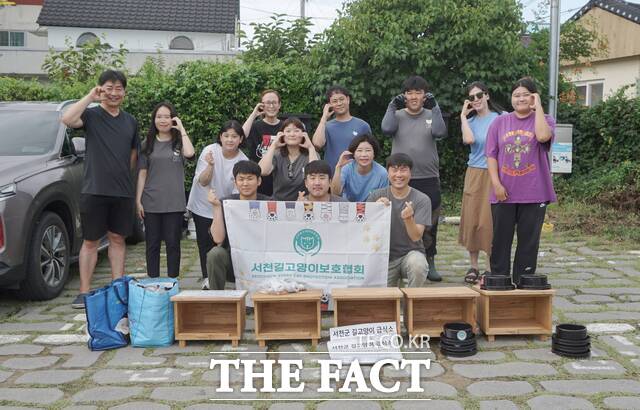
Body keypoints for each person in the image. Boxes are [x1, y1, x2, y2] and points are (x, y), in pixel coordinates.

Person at [61, 70, 140, 309]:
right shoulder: (92, 115)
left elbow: (133, 154)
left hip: (122, 191)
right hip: (94, 190)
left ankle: (118, 287)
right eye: (109, 88)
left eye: (119, 89)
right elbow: (67, 119)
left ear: (124, 92)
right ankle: (84, 292)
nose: (114, 93)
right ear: (101, 89)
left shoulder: (130, 120)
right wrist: (89, 97)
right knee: (91, 241)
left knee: (118, 239)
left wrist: (125, 177)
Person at [485, 77, 557, 286]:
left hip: (535, 193)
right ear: (511, 98)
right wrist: (496, 184)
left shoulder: (545, 119)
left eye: (526, 94)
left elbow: (543, 137)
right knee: (500, 242)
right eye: (517, 95)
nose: (521, 98)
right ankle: (499, 283)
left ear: (534, 96)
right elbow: (491, 155)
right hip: (503, 193)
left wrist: (539, 107)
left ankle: (523, 283)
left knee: (528, 243)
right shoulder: (499, 122)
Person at [381, 75, 447, 281]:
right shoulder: (397, 115)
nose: (414, 96)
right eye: (409, 92)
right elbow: (387, 129)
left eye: (418, 92)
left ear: (425, 95)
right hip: (400, 178)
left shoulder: (431, 114)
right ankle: (396, 261)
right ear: (404, 95)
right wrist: (392, 106)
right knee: (398, 220)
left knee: (429, 223)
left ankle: (429, 260)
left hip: (427, 177)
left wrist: (435, 108)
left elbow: (439, 131)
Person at [136, 102, 195, 279]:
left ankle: (172, 282)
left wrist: (181, 128)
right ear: (154, 120)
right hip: (151, 201)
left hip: (174, 203)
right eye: (159, 117)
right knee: (152, 245)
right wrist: (137, 200)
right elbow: (142, 174)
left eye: (167, 116)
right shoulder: (147, 143)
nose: (163, 120)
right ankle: (152, 282)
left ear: (173, 119)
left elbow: (190, 154)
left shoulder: (179, 142)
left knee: (173, 244)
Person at [187, 120, 248, 289]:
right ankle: (207, 278)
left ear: (241, 139)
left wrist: (222, 207)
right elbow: (203, 181)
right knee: (204, 243)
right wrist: (211, 165)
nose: (230, 140)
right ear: (220, 137)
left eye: (234, 136)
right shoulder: (210, 151)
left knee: (220, 242)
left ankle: (227, 276)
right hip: (202, 203)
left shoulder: (243, 160)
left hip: (225, 207)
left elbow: (239, 192)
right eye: (226, 135)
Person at [458, 82, 502, 284]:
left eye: (478, 95)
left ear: (487, 95)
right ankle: (473, 265)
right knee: (472, 217)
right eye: (471, 97)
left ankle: (489, 266)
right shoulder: (471, 122)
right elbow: (468, 140)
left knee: (490, 219)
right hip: (475, 172)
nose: (475, 100)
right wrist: (463, 117)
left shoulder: (501, 118)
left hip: (496, 173)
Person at [367, 154, 432, 288]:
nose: (398, 174)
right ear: (387, 173)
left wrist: (408, 218)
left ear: (410, 173)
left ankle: (412, 303)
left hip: (410, 254)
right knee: (384, 303)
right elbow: (366, 231)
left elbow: (416, 236)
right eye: (394, 170)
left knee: (418, 265)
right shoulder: (376, 196)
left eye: (403, 170)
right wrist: (375, 210)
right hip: (382, 257)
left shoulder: (422, 199)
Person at [206, 161, 270, 290]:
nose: (245, 183)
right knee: (215, 254)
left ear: (259, 181)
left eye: (250, 179)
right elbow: (218, 239)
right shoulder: (227, 203)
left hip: (263, 262)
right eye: (241, 179)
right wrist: (217, 207)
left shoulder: (270, 204)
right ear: (235, 182)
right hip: (234, 261)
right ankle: (216, 299)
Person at [311, 85, 372, 171]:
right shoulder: (326, 126)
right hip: (331, 176)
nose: (339, 103)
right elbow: (317, 144)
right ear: (330, 104)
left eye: (341, 99)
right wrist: (324, 118)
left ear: (348, 99)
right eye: (335, 101)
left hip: (357, 175)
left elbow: (371, 152)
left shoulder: (362, 126)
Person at [258, 117, 319, 201]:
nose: (292, 134)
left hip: (304, 203)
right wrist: (273, 146)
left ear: (304, 134)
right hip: (278, 204)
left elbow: (316, 174)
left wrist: (311, 147)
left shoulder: (311, 154)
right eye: (288, 131)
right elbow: (262, 171)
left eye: (296, 131)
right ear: (282, 134)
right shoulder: (276, 154)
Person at [243, 89, 283, 196]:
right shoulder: (255, 126)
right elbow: (241, 136)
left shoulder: (285, 127)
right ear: (262, 105)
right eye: (267, 103)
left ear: (279, 105)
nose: (271, 106)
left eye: (274, 102)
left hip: (279, 179)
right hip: (259, 179)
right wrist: (253, 114)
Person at [331, 134, 388, 202]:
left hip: (372, 209)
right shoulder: (346, 169)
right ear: (353, 154)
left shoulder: (382, 173)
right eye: (359, 150)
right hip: (348, 208)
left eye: (368, 150)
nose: (364, 155)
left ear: (374, 153)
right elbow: (335, 193)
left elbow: (383, 200)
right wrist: (338, 167)